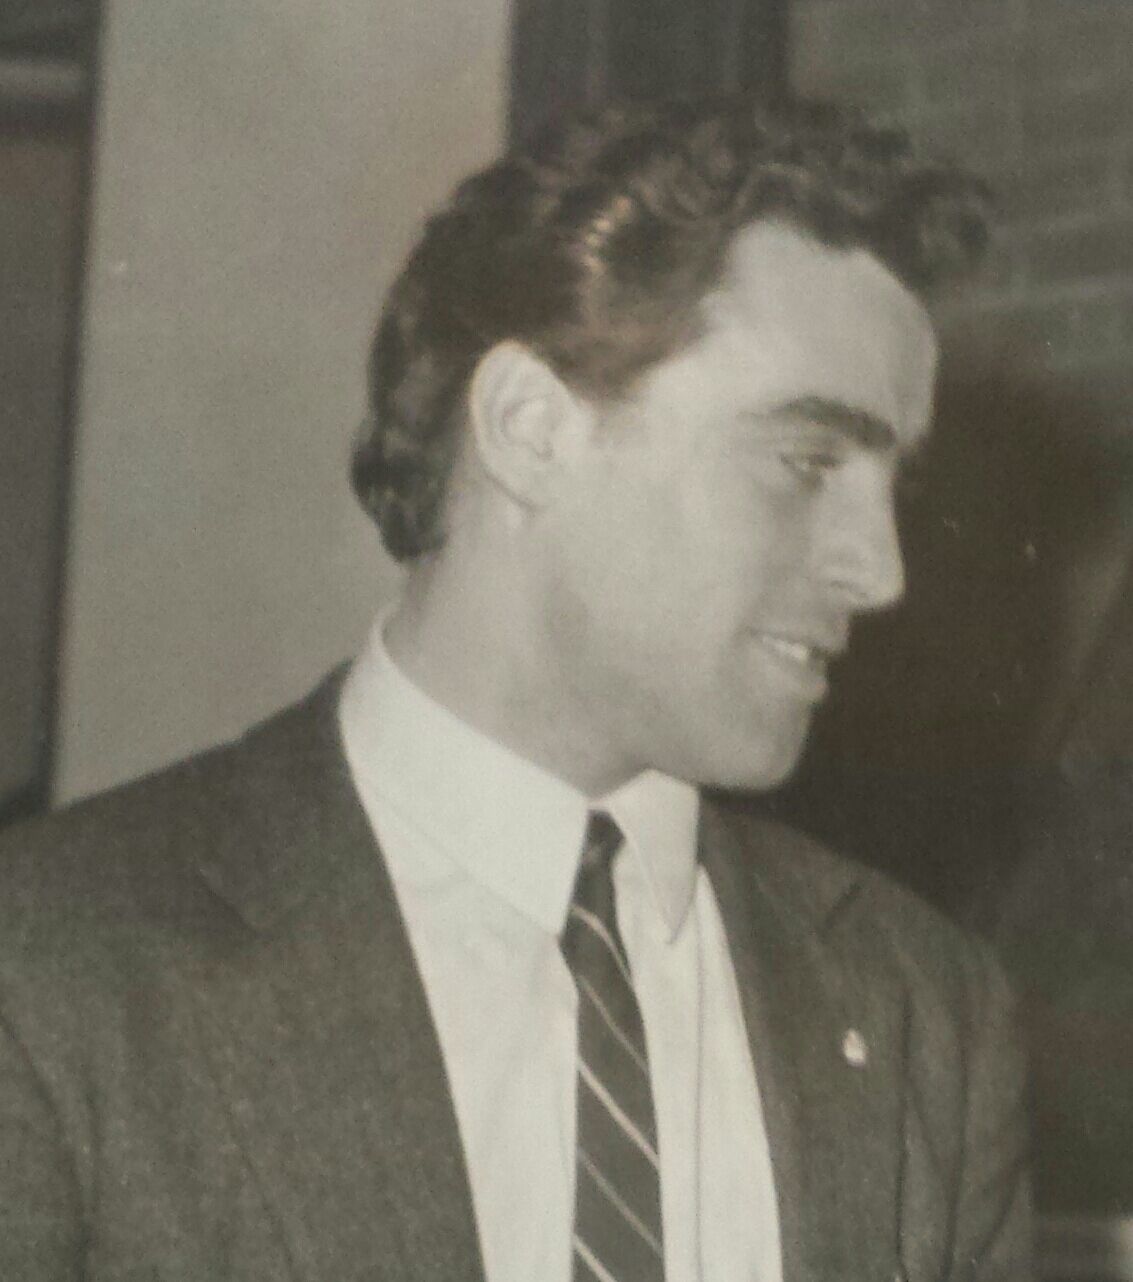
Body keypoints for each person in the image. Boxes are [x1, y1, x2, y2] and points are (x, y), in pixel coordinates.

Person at [0, 97, 1030, 1281]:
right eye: (805, 462)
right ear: (529, 428)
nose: (880, 571)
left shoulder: (927, 1015)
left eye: (892, 490)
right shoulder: (50, 966)